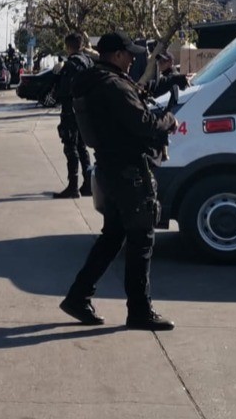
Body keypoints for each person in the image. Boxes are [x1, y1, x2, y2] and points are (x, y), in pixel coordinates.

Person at [59, 30, 178, 331]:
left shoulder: (99, 81)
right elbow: (143, 122)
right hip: (129, 173)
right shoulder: (112, 85)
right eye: (129, 54)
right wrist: (169, 122)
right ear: (116, 55)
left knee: (113, 237)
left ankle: (77, 296)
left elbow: (135, 97)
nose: (133, 59)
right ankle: (139, 310)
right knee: (141, 241)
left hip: (111, 170)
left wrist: (168, 77)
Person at [50, 33, 94, 198]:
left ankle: (73, 186)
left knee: (71, 146)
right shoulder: (89, 62)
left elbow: (63, 91)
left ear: (68, 47)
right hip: (86, 111)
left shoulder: (70, 65)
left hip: (71, 110)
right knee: (82, 147)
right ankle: (88, 184)